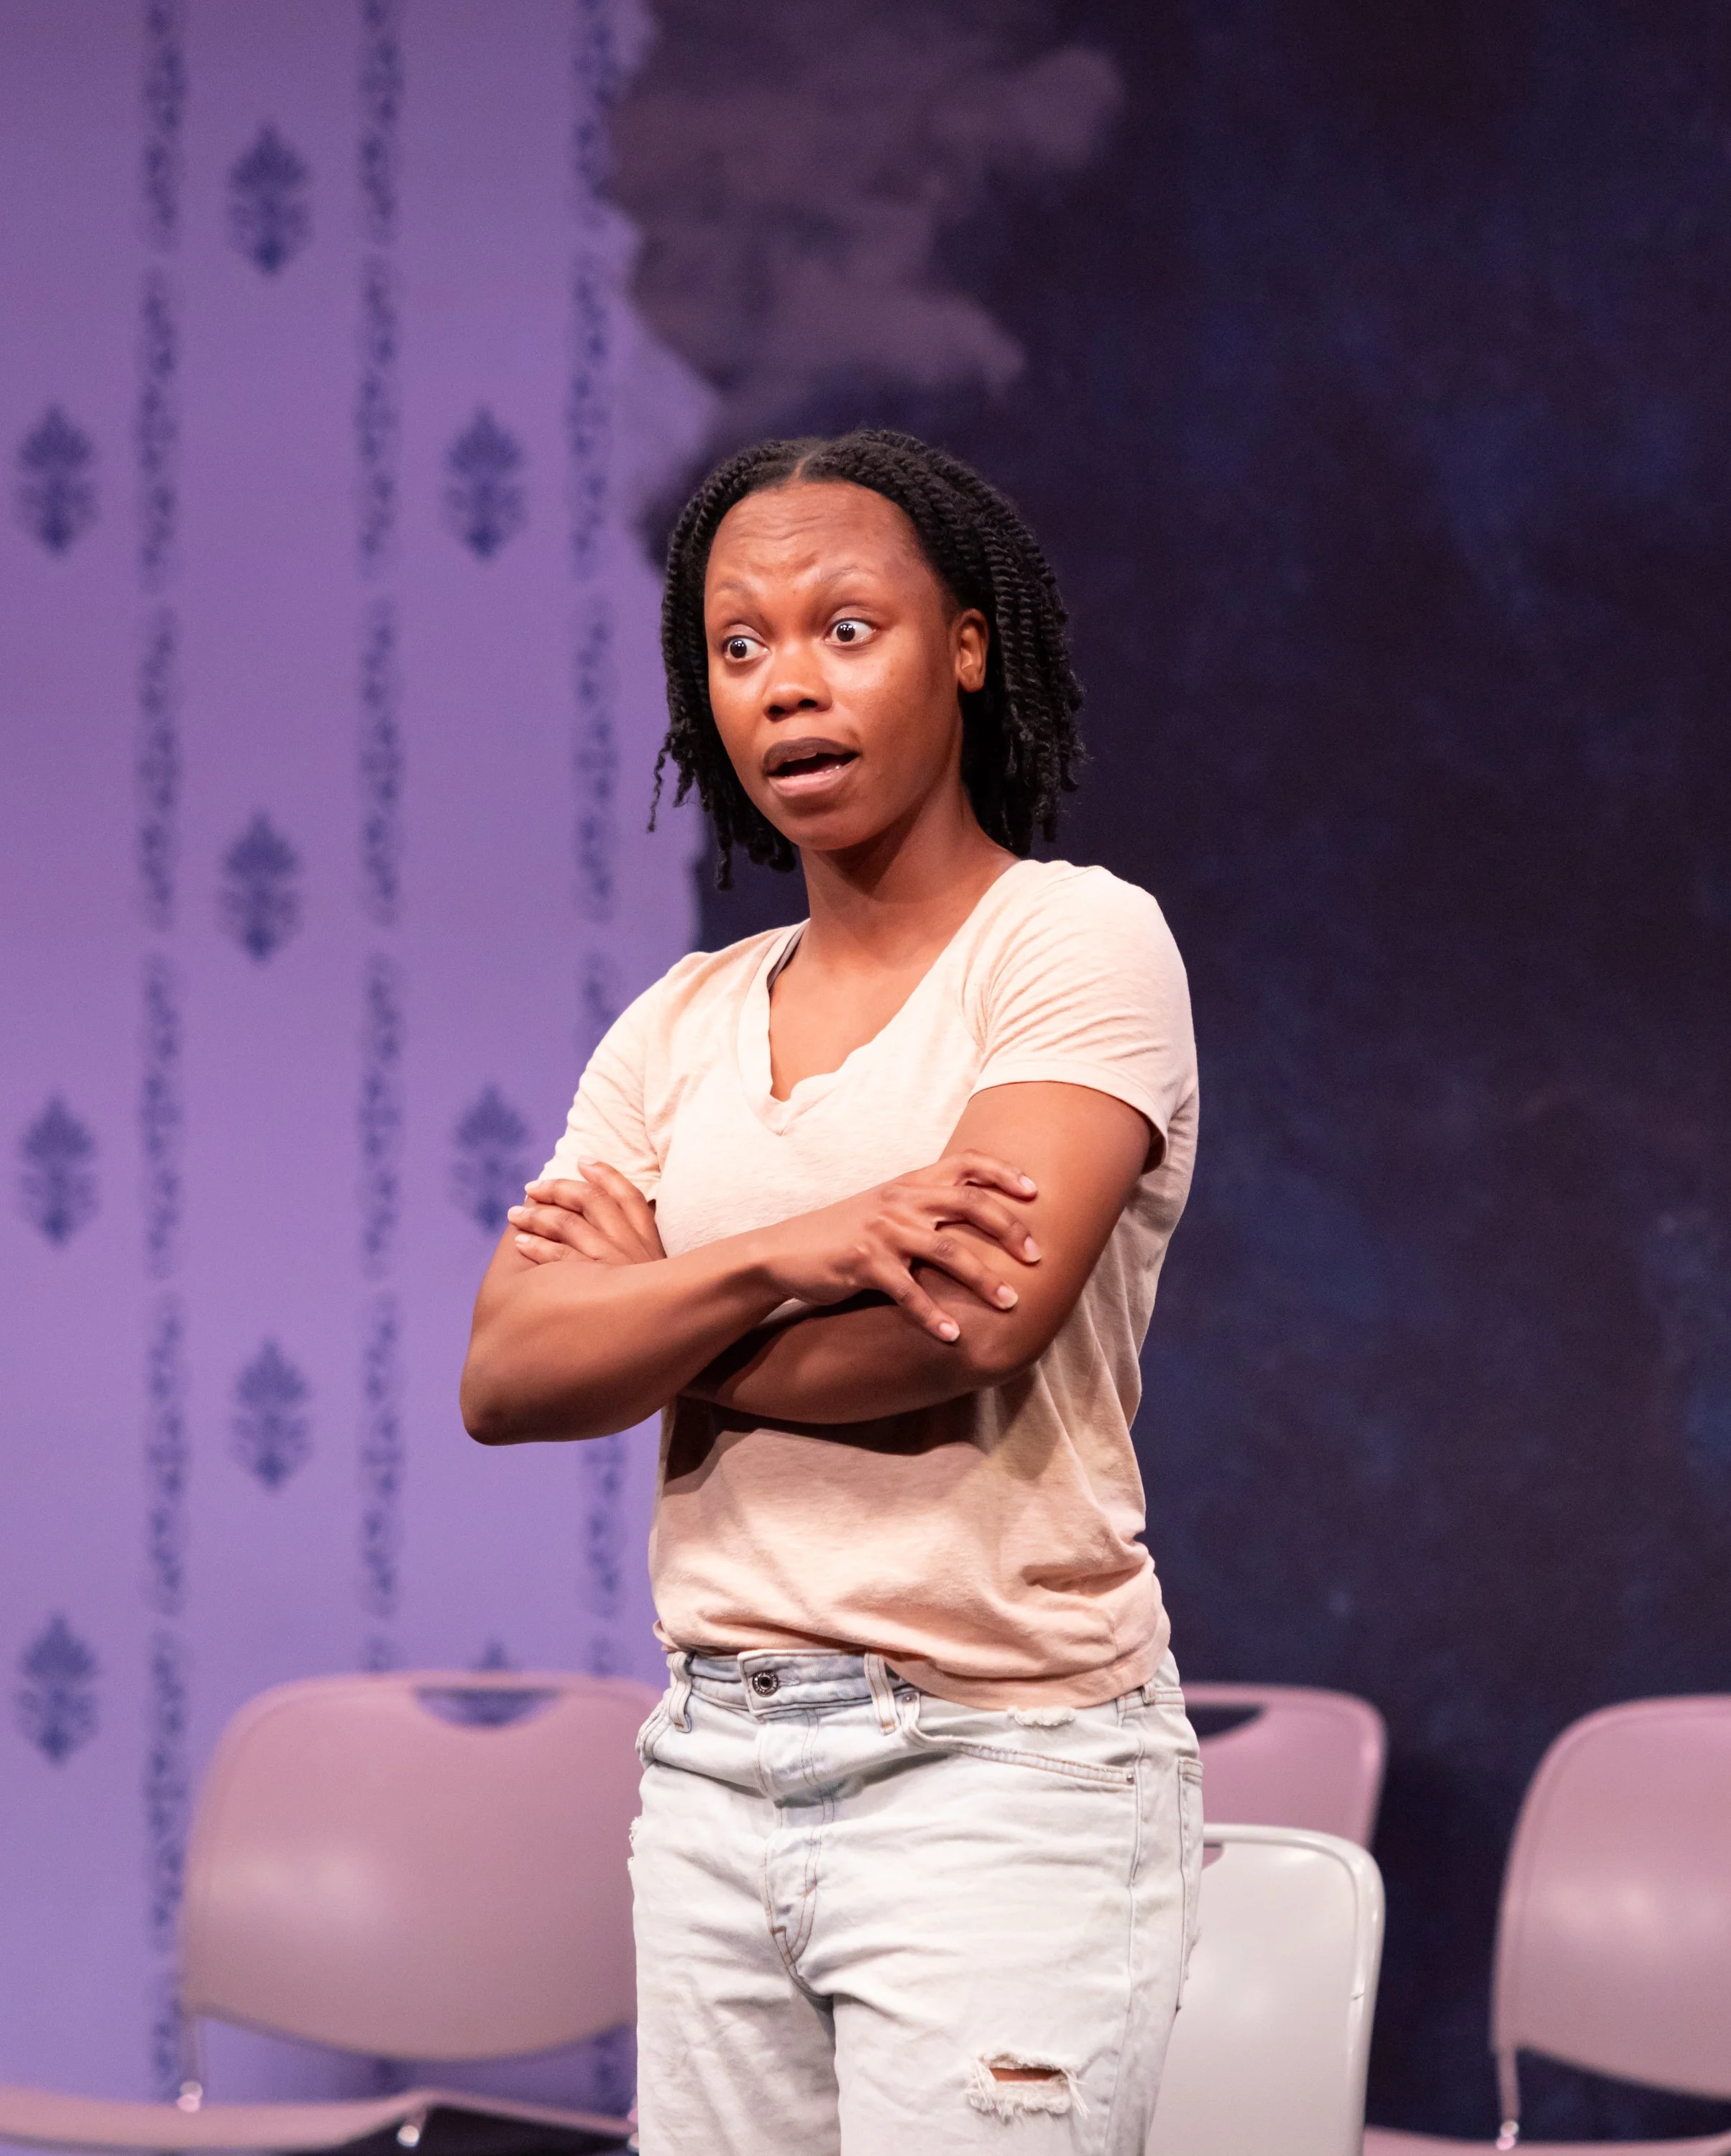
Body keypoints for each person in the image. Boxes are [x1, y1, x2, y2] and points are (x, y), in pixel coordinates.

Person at [460, 428, 1202, 2156]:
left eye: (845, 628)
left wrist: (654, 1329)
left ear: (965, 644)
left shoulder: (1073, 946)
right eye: (740, 647)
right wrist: (796, 1251)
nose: (789, 685)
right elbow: (504, 1374)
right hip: (711, 1771)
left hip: (998, 1767)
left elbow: (960, 1336)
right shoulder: (682, 1021)